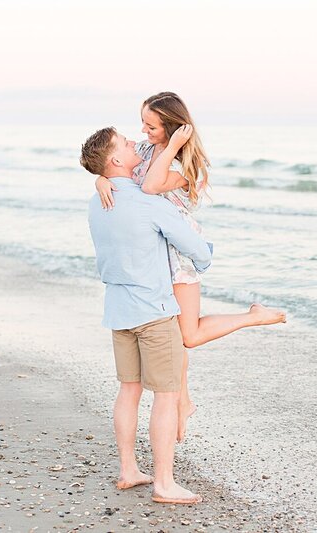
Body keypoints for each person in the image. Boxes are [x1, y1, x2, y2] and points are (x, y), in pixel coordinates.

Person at [95, 92, 286, 442]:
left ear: (172, 126)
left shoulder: (185, 164)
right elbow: (113, 165)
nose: (143, 131)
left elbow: (151, 185)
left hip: (178, 254)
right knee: (170, 333)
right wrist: (100, 179)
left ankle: (252, 316)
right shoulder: (146, 148)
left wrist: (170, 146)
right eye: (143, 124)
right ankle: (182, 400)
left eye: (151, 126)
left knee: (188, 335)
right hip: (150, 252)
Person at [82, 126, 211, 504]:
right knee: (167, 397)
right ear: (116, 160)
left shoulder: (98, 201)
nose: (131, 142)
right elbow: (194, 248)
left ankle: (128, 469)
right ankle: (164, 483)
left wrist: (101, 180)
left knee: (129, 390)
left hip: (118, 312)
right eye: (123, 142)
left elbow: (109, 172)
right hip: (154, 312)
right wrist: (206, 257)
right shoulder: (147, 202)